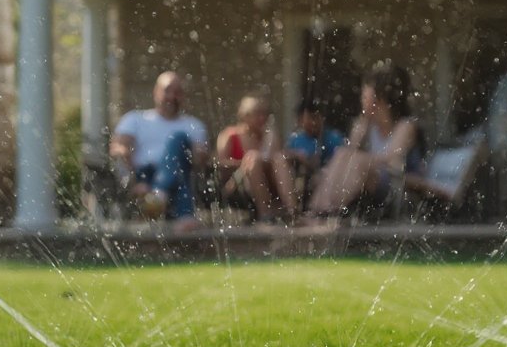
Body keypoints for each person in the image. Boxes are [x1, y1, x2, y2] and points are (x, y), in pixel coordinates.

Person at [307, 64, 425, 219]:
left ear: (379, 97)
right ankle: (315, 212)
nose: (362, 100)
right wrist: (361, 128)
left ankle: (327, 213)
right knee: (342, 154)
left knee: (358, 161)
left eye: (365, 94)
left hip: (399, 188)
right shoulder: (367, 126)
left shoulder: (405, 126)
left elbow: (392, 161)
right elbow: (348, 154)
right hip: (373, 183)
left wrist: (360, 159)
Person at [109, 71, 209, 229]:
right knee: (179, 176)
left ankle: (158, 195)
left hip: (180, 173)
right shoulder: (135, 119)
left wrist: (199, 153)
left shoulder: (193, 125)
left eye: (177, 92)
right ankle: (184, 215)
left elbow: (199, 160)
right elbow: (117, 148)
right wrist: (134, 181)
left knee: (179, 138)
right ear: (156, 92)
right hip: (143, 177)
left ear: (183, 97)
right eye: (167, 90)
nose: (172, 96)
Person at [216, 94, 297, 222]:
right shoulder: (230, 135)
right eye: (257, 114)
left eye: (265, 114)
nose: (262, 118)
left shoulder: (270, 136)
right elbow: (221, 164)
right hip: (239, 183)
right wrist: (245, 163)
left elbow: (277, 163)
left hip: (270, 183)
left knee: (278, 158)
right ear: (245, 115)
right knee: (253, 157)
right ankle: (265, 213)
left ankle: (292, 212)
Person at [285, 97, 346, 206]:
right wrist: (296, 156)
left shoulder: (333, 138)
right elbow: (285, 158)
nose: (312, 123)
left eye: (314, 118)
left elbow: (341, 164)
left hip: (328, 179)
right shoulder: (296, 140)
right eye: (306, 119)